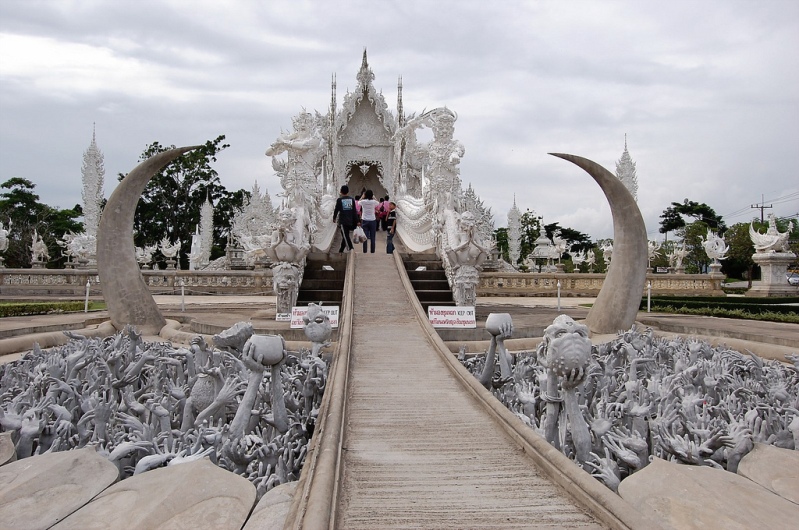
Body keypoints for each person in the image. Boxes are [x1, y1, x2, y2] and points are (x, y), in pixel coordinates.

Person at [333, 185, 357, 253]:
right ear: (348, 191)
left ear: (341, 191)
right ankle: (341, 250)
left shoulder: (340, 200)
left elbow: (336, 209)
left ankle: (351, 248)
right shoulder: (351, 199)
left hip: (343, 221)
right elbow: (354, 211)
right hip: (350, 220)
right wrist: (357, 221)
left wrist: (334, 218)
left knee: (345, 235)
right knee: (345, 235)